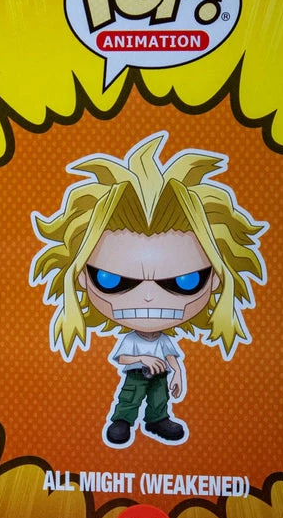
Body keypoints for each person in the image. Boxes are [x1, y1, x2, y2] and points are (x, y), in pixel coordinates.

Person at [31, 132, 266, 446]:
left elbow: (173, 358)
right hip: (136, 375)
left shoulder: (165, 340)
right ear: (81, 277)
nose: (148, 296)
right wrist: (142, 359)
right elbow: (121, 360)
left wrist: (177, 373)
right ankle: (122, 421)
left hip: (160, 377)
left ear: (216, 279)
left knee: (159, 399)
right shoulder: (131, 339)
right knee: (130, 397)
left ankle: (158, 420)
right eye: (111, 279)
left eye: (185, 281)